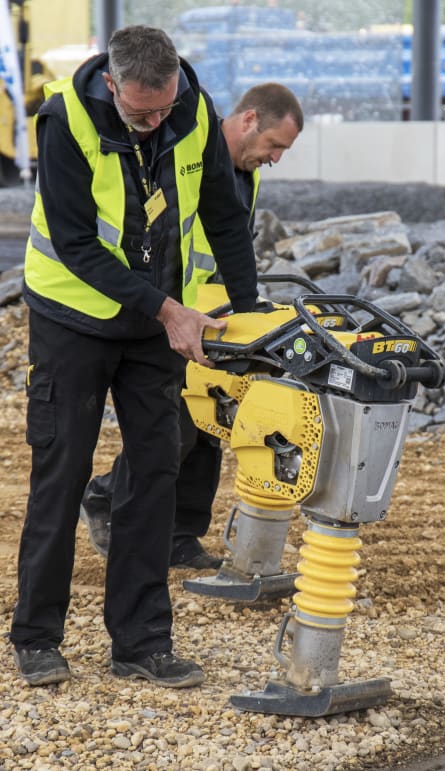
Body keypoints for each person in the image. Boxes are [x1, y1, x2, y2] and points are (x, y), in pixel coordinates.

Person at [10, 25, 260, 689]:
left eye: (164, 110)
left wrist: (253, 309)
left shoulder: (192, 111)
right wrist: (169, 310)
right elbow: (76, 242)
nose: (154, 124)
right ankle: (36, 637)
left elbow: (224, 214)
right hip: (72, 318)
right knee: (60, 476)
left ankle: (142, 643)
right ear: (112, 84)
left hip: (152, 326)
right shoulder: (64, 120)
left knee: (154, 476)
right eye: (140, 112)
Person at [79, 83, 304, 568]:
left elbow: (230, 241)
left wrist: (247, 309)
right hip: (173, 312)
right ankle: (105, 496)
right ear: (248, 121)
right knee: (175, 426)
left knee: (213, 423)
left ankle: (182, 533)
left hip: (216, 313)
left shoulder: (245, 171)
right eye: (275, 146)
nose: (276, 158)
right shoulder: (184, 152)